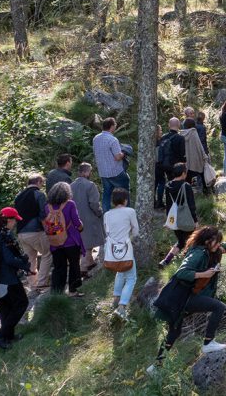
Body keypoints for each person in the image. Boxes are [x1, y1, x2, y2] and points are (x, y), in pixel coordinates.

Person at [148, 227, 226, 375]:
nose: (219, 245)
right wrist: (203, 274)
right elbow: (182, 273)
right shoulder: (198, 254)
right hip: (182, 297)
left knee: (174, 332)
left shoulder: (211, 250)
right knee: (218, 307)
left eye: (219, 243)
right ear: (207, 241)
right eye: (217, 242)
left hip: (184, 296)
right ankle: (208, 342)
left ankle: (156, 367)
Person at [0, 208, 31, 349]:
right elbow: (9, 259)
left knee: (5, 308)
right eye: (14, 220)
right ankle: (0, 336)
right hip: (6, 279)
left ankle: (8, 336)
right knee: (22, 303)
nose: (15, 223)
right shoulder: (2, 236)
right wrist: (24, 265)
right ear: (8, 220)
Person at [103, 188, 139, 320]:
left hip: (112, 250)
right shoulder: (130, 211)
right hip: (125, 247)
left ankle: (116, 297)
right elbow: (136, 230)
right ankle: (122, 306)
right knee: (131, 278)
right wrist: (130, 237)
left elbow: (106, 231)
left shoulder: (107, 214)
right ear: (125, 200)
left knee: (120, 271)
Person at [45, 181, 85, 297]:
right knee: (74, 265)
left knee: (58, 268)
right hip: (71, 240)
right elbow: (76, 221)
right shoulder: (70, 204)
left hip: (55, 242)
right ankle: (72, 290)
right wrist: (81, 228)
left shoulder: (47, 206)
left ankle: (57, 293)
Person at [14, 174, 52, 289]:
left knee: (30, 259)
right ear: (39, 181)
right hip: (35, 231)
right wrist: (48, 230)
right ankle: (42, 282)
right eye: (42, 183)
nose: (42, 186)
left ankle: (33, 284)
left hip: (20, 232)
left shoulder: (18, 196)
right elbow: (43, 214)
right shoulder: (39, 194)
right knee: (48, 253)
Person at [160, 163, 198, 267]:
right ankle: (188, 263)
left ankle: (166, 261)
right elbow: (191, 205)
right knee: (192, 241)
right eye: (186, 172)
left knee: (181, 242)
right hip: (186, 218)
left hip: (173, 218)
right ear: (183, 173)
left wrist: (169, 221)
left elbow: (168, 204)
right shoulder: (186, 186)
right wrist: (195, 220)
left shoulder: (168, 186)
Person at [70, 163, 104, 275]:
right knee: (88, 243)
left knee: (83, 242)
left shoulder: (70, 186)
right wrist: (99, 213)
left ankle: (90, 262)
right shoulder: (90, 185)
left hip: (74, 218)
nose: (90, 174)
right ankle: (83, 267)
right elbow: (94, 203)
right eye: (89, 171)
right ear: (85, 172)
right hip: (89, 217)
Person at [93, 118, 129, 214]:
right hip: (115, 171)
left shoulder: (96, 138)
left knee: (107, 194)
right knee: (124, 191)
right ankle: (126, 211)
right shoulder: (113, 140)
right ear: (112, 126)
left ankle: (106, 215)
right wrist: (124, 153)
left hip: (103, 171)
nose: (116, 127)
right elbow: (117, 157)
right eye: (115, 125)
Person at [156, 118, 185, 208]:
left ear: (169, 125)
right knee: (175, 184)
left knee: (163, 183)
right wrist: (183, 165)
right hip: (175, 166)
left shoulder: (163, 137)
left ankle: (161, 202)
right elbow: (182, 153)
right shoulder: (180, 138)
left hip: (162, 164)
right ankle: (176, 203)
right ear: (179, 125)